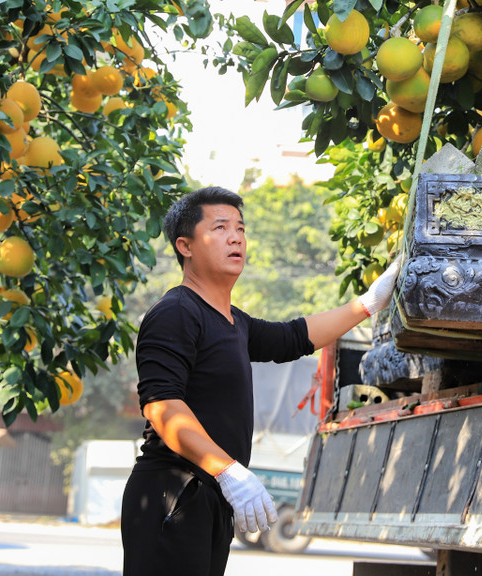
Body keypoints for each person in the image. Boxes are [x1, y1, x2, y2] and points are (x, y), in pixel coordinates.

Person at [120, 186, 399, 576]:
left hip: (209, 494)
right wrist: (227, 469)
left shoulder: (235, 322)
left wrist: (368, 303)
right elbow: (162, 404)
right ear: (185, 246)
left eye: (240, 228)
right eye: (220, 227)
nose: (236, 237)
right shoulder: (176, 312)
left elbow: (295, 337)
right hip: (174, 492)